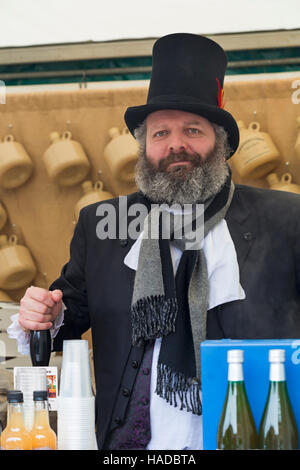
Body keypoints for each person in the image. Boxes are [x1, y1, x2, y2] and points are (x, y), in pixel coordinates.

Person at [8, 33, 300, 450]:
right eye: (160, 133)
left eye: (192, 129)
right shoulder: (102, 225)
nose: (175, 145)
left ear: (222, 142)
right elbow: (66, 317)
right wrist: (45, 313)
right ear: (144, 146)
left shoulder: (286, 220)